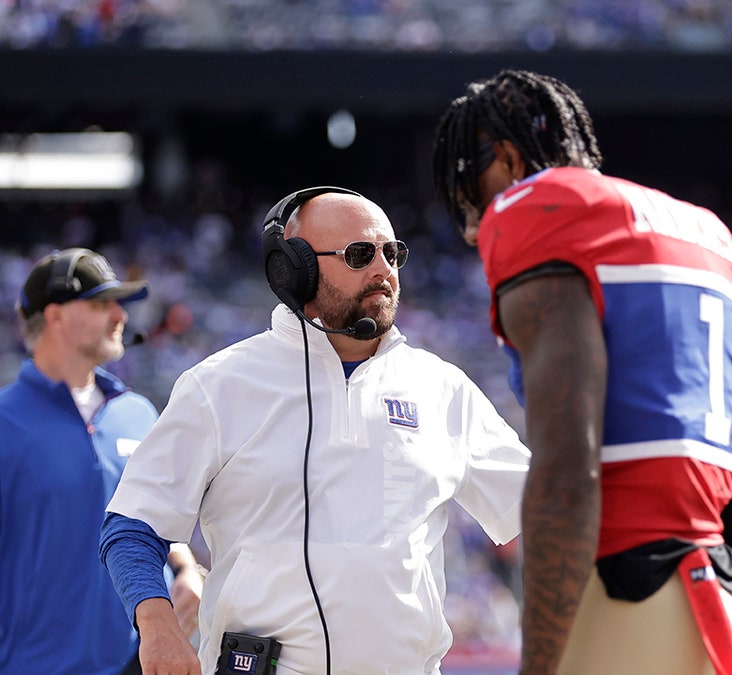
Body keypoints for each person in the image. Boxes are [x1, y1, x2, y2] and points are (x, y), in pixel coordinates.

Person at [98, 187, 531, 675]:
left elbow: (543, 510)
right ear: (293, 268)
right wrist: (158, 627)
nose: (384, 269)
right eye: (360, 254)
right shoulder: (217, 385)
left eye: (393, 253)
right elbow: (132, 527)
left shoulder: (444, 388)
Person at [433, 70, 732, 675]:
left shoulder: (536, 210)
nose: (472, 217)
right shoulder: (705, 229)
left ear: (506, 159)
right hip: (723, 595)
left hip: (627, 598)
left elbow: (568, 468)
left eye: (468, 186)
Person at [0, 247, 203, 675]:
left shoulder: (139, 412)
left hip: (139, 659)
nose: (120, 316)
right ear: (55, 317)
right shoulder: (5, 422)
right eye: (100, 303)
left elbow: (153, 518)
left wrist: (185, 567)